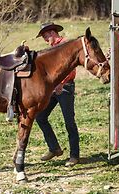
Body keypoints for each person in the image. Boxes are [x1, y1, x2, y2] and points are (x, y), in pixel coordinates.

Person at [35, 22, 79, 167]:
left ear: (52, 33)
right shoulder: (51, 49)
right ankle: (54, 148)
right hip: (53, 88)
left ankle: (74, 155)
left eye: (45, 36)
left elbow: (71, 68)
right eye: (43, 37)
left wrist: (61, 83)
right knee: (40, 116)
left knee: (69, 122)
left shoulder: (66, 45)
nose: (44, 39)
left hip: (65, 87)